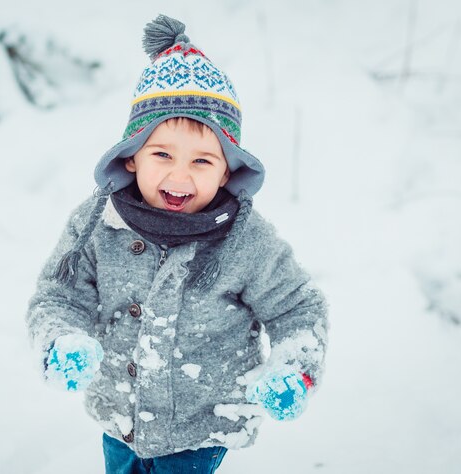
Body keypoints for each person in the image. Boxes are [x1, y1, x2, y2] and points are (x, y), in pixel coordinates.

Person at [26, 14, 328, 474]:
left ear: (227, 172)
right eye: (162, 154)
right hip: (120, 421)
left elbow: (298, 308)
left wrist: (294, 369)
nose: (180, 175)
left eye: (202, 160)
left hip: (200, 429)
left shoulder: (245, 241)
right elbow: (59, 295)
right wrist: (61, 340)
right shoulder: (98, 226)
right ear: (131, 157)